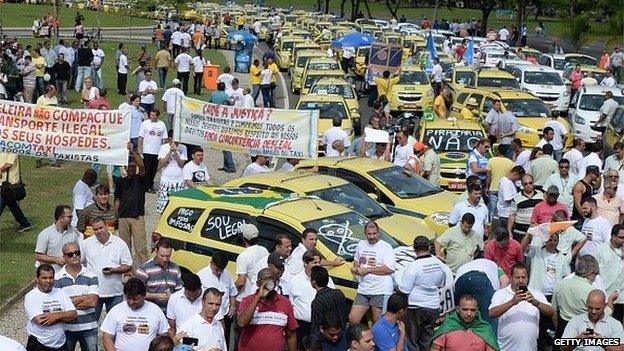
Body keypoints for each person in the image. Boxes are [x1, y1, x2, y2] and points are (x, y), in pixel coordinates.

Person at [489, 263, 554, 350]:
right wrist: (512, 302)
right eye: (517, 277)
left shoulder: (536, 294)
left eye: (523, 277)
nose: (520, 281)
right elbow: (491, 313)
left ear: (528, 278)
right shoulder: (500, 294)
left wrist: (535, 302)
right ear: (511, 278)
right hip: (506, 348)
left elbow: (551, 312)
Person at [400, 235, 448, 350]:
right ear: (429, 247)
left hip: (415, 307)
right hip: (433, 307)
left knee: (412, 340)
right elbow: (441, 284)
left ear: (414, 249)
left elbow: (404, 290)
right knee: (427, 340)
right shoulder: (439, 264)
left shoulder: (413, 267)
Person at [80, 217, 132, 321]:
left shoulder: (119, 243)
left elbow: (128, 265)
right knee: (91, 323)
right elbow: (77, 262)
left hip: (115, 292)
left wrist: (114, 270)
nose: (99, 231)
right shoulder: (86, 244)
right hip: (93, 292)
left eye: (101, 228)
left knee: (116, 322)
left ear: (107, 226)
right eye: (96, 229)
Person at [552, 255, 613, 339]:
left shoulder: (561, 284)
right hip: (584, 331)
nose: (595, 278)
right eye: (596, 273)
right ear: (590, 273)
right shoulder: (592, 291)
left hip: (563, 328)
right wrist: (610, 300)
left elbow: (554, 310)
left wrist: (557, 328)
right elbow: (607, 313)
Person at [237, 268, 298, 351]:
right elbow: (241, 323)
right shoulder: (248, 301)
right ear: (258, 283)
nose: (269, 281)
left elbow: (291, 335)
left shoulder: (285, 303)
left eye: (272, 278)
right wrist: (258, 297)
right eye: (265, 278)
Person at [101, 278, 170, 351]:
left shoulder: (155, 310)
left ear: (143, 295)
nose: (131, 302)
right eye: (128, 298)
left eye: (135, 299)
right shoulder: (116, 310)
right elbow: (107, 337)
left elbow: (164, 337)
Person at [54, 242, 99, 351]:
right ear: (64, 257)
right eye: (70, 254)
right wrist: (82, 298)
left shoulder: (91, 275)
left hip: (89, 327)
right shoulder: (57, 278)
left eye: (77, 253)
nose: (74, 256)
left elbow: (93, 302)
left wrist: (69, 303)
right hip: (67, 328)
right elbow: (59, 306)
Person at [349, 221, 396, 324]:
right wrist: (355, 269)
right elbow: (356, 262)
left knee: (378, 321)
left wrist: (367, 270)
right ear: (365, 233)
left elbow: (389, 269)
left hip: (380, 290)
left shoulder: (385, 247)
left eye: (374, 234)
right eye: (369, 234)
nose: (372, 236)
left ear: (378, 233)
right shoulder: (361, 245)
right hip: (364, 289)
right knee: (353, 318)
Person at [25, 264, 78, 351]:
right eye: (44, 278)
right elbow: (41, 320)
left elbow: (74, 314)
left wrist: (55, 316)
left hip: (61, 343)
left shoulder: (61, 293)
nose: (48, 281)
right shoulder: (31, 296)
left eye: (51, 278)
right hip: (39, 343)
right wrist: (65, 316)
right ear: (37, 279)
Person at [290, 249, 335, 341]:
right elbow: (291, 304)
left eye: (319, 262)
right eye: (315, 263)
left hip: (322, 325)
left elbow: (332, 298)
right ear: (306, 263)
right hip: (302, 326)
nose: (318, 265)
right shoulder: (294, 280)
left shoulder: (327, 279)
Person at [430, 294, 499, 351]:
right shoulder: (448, 326)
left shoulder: (484, 329)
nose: (469, 314)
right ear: (458, 309)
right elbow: (434, 349)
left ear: (477, 310)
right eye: (465, 310)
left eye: (472, 310)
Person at [117, 146, 149, 266]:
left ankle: (144, 274)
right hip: (123, 217)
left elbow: (142, 165)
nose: (130, 168)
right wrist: (117, 216)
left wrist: (132, 151)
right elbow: (117, 199)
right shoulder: (121, 181)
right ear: (125, 167)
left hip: (137, 217)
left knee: (140, 248)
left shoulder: (140, 179)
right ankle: (127, 275)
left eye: (132, 166)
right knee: (124, 248)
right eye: (129, 166)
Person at [196, 252, 238, 337]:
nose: (219, 272)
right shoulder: (201, 276)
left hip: (225, 314)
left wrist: (233, 306)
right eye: (216, 269)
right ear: (211, 263)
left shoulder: (226, 274)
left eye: (221, 270)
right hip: (208, 316)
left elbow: (232, 292)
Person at [136, 240, 182, 313]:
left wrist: (172, 297)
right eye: (162, 256)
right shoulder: (144, 269)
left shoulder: (175, 268)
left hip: (170, 312)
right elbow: (137, 294)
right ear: (156, 251)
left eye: (168, 256)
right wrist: (156, 296)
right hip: (150, 312)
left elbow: (180, 292)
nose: (165, 259)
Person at [35, 205, 82, 273]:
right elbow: (38, 256)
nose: (72, 219)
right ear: (60, 218)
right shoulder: (45, 234)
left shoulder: (74, 231)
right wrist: (56, 260)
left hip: (69, 273)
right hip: (51, 274)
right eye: (69, 217)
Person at [594, 224, 624, 322]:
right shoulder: (601, 250)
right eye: (621, 237)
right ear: (613, 236)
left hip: (621, 297)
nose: (623, 240)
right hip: (606, 295)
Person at [235, 223, 270, 303]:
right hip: (261, 294)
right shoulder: (264, 250)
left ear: (244, 238)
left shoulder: (244, 256)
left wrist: (231, 291)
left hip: (246, 298)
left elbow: (241, 282)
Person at [310, 266, 349, 332]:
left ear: (314, 282)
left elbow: (316, 327)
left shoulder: (317, 301)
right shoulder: (338, 293)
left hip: (329, 337)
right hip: (343, 333)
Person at [156, 132, 187, 213]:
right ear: (170, 138)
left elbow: (181, 164)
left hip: (179, 180)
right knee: (163, 207)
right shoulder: (163, 147)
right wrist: (170, 152)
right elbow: (162, 163)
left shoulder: (183, 148)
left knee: (178, 207)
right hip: (166, 180)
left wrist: (176, 152)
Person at [0, 152, 31, 232]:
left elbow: (9, 164)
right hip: (3, 182)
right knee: (12, 204)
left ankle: (25, 224)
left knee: (3, 202)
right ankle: (25, 223)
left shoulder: (12, 149)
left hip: (9, 183)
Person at [138, 109, 167, 193]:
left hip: (157, 151)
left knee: (154, 170)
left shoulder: (162, 124)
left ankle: (151, 184)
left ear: (158, 116)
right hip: (147, 150)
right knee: (147, 169)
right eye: (150, 114)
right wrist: (140, 148)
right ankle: (146, 186)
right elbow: (141, 137)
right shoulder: (145, 123)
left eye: (153, 115)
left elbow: (164, 139)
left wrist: (164, 150)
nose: (151, 116)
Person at [508, 174, 544, 242]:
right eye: (525, 184)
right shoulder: (516, 198)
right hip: (520, 231)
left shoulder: (541, 195)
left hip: (537, 231)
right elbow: (512, 215)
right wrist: (509, 231)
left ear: (533, 183)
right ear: (522, 185)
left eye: (530, 183)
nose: (528, 185)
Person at [486, 146, 514, 218]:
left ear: (498, 151)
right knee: (503, 210)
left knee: (492, 210)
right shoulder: (510, 163)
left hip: (493, 188)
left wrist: (487, 187)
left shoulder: (491, 160)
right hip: (505, 190)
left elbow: (488, 176)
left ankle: (491, 225)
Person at [497, 166, 525, 231]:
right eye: (519, 178)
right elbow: (507, 198)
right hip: (506, 215)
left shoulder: (510, 182)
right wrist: (519, 197)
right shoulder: (505, 183)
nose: (518, 180)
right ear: (516, 174)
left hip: (509, 214)